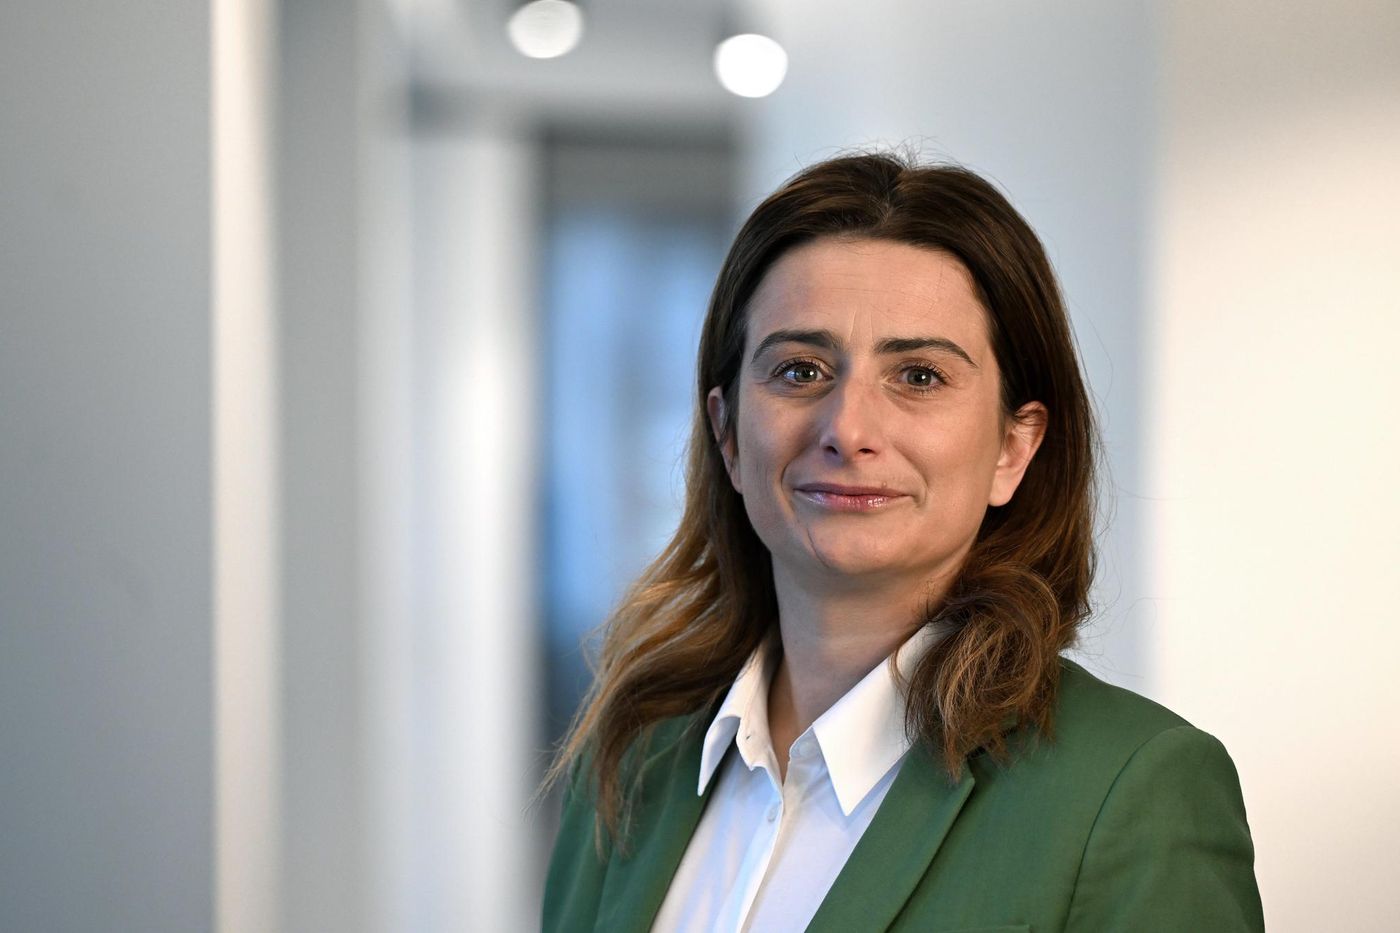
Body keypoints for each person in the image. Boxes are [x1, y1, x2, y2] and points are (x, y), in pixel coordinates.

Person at [540, 151, 1263, 932]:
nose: (848, 429)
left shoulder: (1131, 793)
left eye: (918, 376)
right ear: (728, 433)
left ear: (1013, 447)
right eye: (800, 370)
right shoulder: (630, 759)